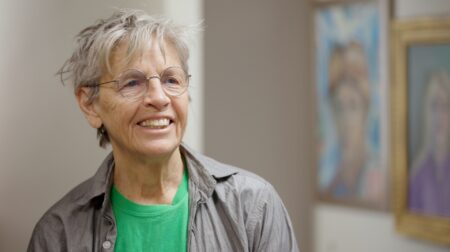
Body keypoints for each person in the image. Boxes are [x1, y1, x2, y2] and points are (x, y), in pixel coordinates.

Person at [27, 9, 298, 251]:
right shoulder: (58, 234)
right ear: (90, 104)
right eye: (132, 83)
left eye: (171, 79)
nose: (159, 98)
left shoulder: (253, 206)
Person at [325, 41, 385, 206]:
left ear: (365, 112)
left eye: (353, 106)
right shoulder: (332, 184)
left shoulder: (377, 179)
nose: (345, 122)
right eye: (338, 107)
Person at [409, 69, 450, 218]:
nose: (439, 116)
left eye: (445, 106)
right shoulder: (417, 176)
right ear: (426, 113)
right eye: (434, 106)